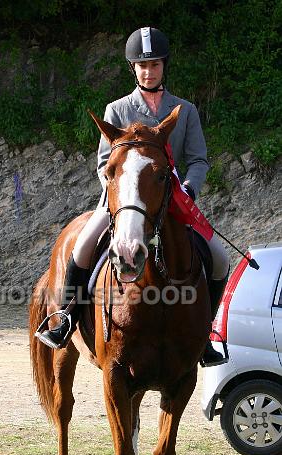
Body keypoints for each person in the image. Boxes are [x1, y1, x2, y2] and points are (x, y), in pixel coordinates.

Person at [36, 27, 230, 366]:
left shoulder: (185, 110)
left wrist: (187, 188)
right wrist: (122, 192)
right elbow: (102, 162)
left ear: (163, 67)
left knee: (220, 257)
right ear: (133, 69)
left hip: (174, 203)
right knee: (81, 248)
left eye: (154, 64)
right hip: (124, 203)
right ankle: (66, 318)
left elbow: (198, 159)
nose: (148, 71)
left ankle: (205, 334)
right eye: (142, 65)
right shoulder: (117, 110)